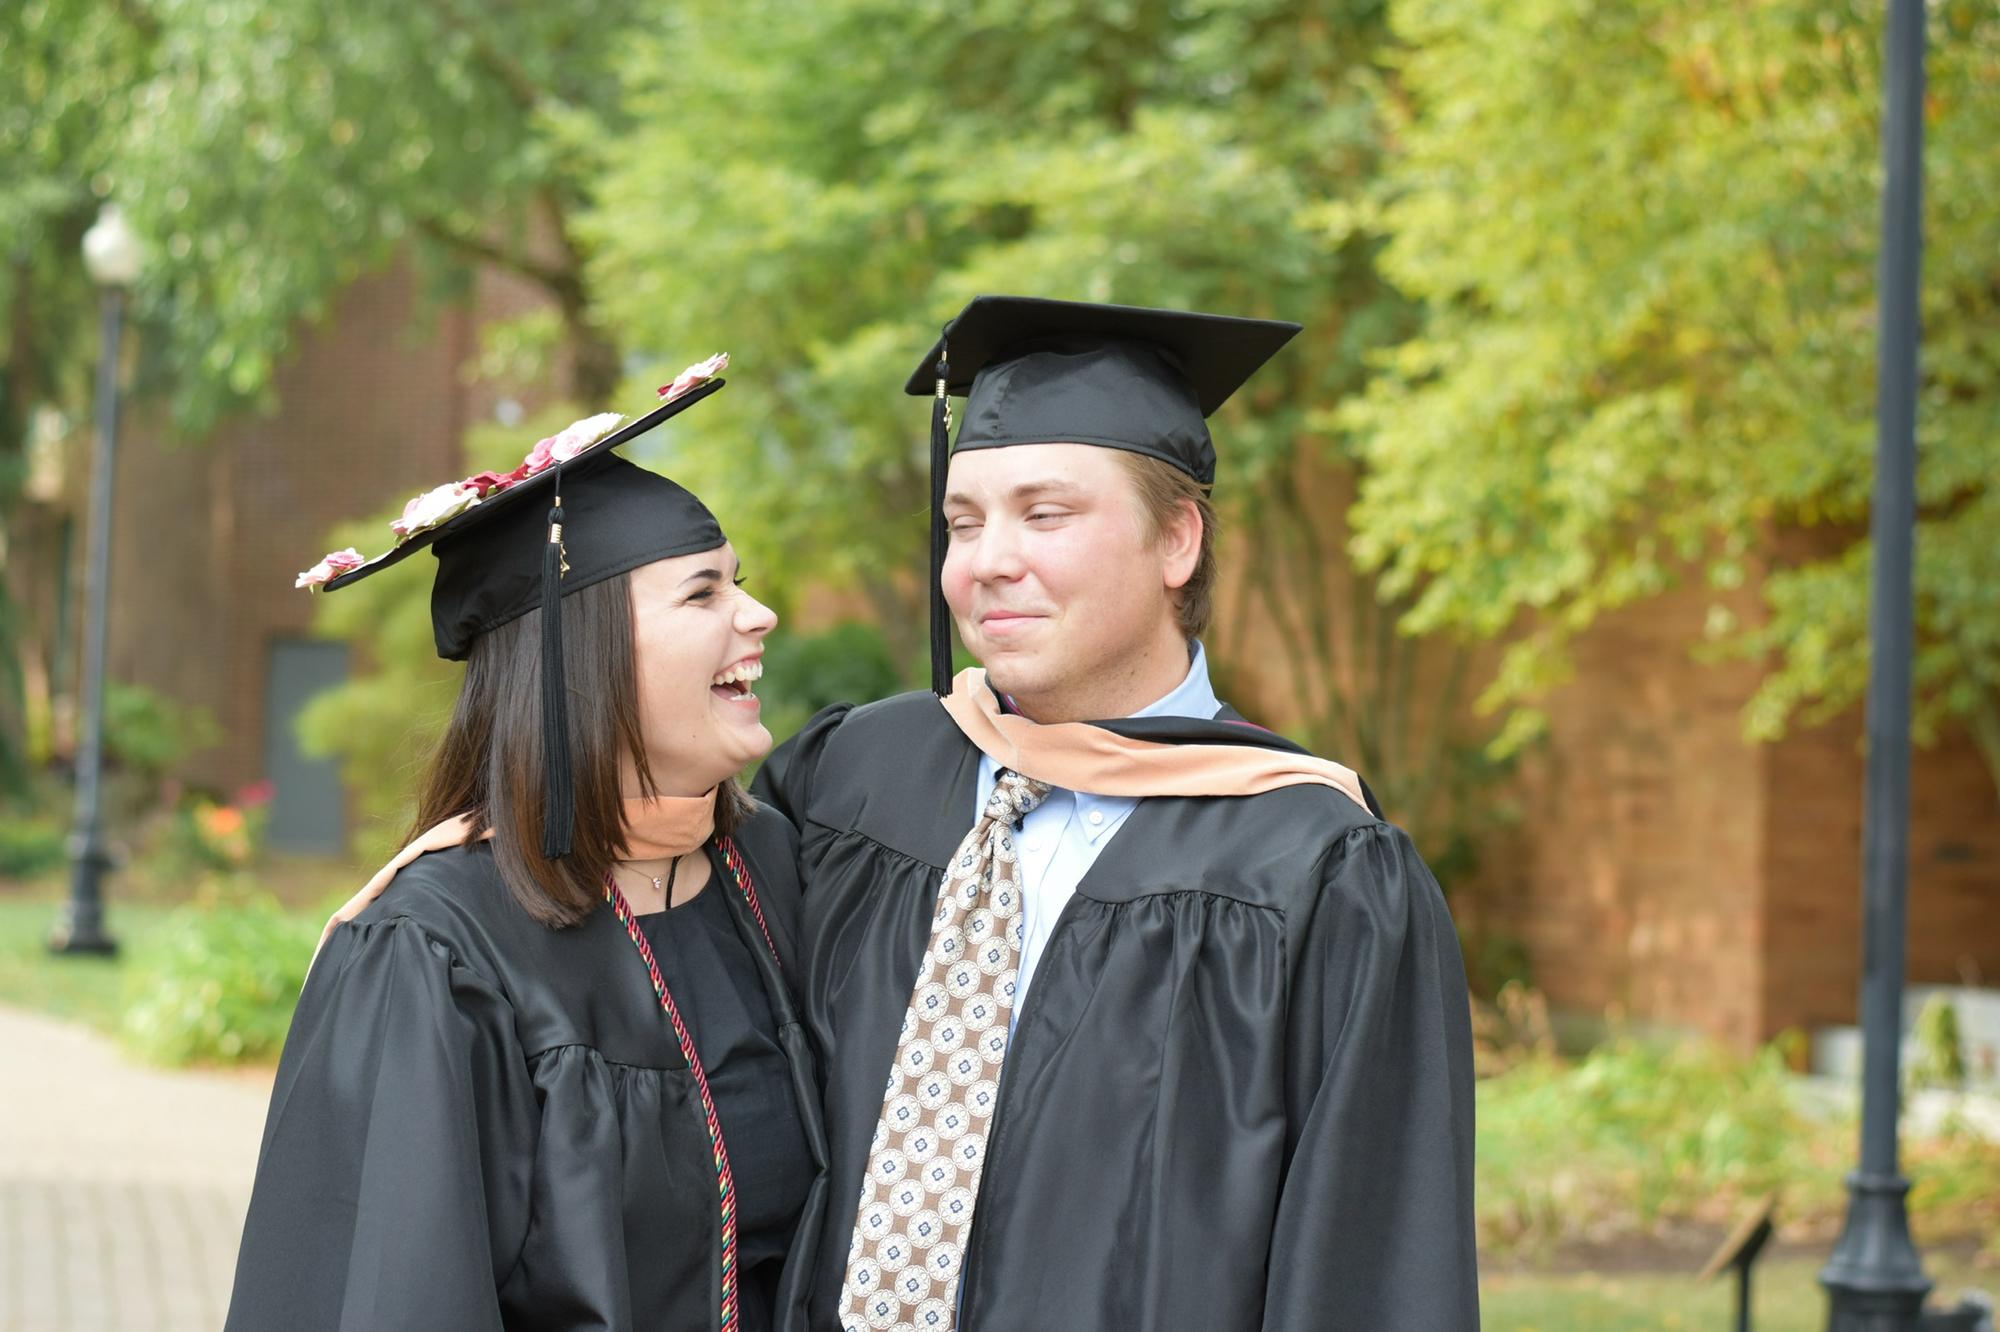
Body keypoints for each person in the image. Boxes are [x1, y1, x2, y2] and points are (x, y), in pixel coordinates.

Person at [752, 298, 1479, 1331]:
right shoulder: (852, 780)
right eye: (963, 522)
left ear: (1175, 539)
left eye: (1044, 515)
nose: (987, 561)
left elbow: (1368, 1265)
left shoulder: (1311, 868)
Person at [227, 359, 828, 1332]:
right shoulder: (436, 950)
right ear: (581, 650)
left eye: (741, 586)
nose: (756, 617)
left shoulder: (772, 877)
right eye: (702, 593)